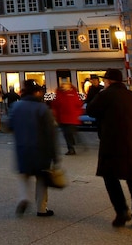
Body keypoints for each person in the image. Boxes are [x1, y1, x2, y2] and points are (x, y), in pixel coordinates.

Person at [86, 68, 132, 231]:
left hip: (112, 144)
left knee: (110, 177)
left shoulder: (104, 95)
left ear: (108, 81)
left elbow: (90, 110)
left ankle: (122, 210)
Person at [8, 79, 58, 218]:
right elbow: (50, 132)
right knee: (42, 178)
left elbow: (9, 126)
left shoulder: (16, 107)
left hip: (22, 148)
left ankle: (24, 197)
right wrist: (55, 156)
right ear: (36, 92)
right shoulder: (42, 108)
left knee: (24, 175)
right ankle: (41, 208)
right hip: (40, 149)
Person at [51, 82, 83, 155]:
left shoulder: (73, 94)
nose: (64, 87)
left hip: (71, 117)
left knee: (69, 132)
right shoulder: (59, 94)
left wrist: (77, 114)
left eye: (66, 85)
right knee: (67, 133)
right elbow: (55, 105)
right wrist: (55, 116)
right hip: (62, 118)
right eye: (63, 85)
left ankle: (72, 145)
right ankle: (71, 148)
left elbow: (78, 104)